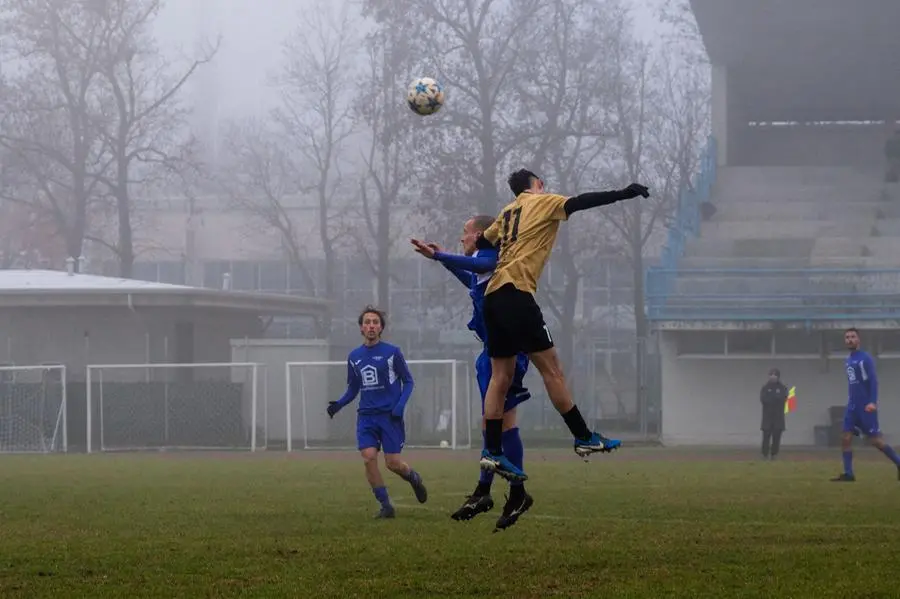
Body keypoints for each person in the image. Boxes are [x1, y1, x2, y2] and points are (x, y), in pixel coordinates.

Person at [475, 169, 649, 481]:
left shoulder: (506, 211)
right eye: (543, 183)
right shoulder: (541, 202)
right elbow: (582, 202)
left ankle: (491, 451)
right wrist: (625, 192)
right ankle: (584, 436)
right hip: (517, 294)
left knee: (500, 377)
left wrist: (460, 252)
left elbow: (482, 241)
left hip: (492, 298)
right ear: (536, 184)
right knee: (552, 370)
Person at [411, 215, 532, 531]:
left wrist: (438, 255)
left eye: (464, 233)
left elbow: (478, 268)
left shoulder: (491, 254)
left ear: (479, 234)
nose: (461, 239)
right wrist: (445, 262)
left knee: (500, 422)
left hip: (509, 350)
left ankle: (497, 492)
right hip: (492, 352)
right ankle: (500, 492)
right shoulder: (485, 262)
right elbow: (473, 279)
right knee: (493, 423)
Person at [326, 306, 428, 517]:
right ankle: (386, 506)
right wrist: (339, 404)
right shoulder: (354, 357)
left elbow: (408, 381)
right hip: (366, 417)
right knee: (368, 457)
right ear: (361, 328)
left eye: (375, 322)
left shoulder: (392, 352)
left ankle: (413, 477)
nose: (371, 326)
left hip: (390, 417)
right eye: (367, 322)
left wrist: (399, 406)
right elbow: (354, 388)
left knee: (393, 464)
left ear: (381, 327)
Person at [831, 327, 900, 482]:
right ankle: (848, 473)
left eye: (853, 337)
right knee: (845, 436)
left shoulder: (865, 358)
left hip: (865, 406)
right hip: (852, 405)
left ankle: (898, 462)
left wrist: (872, 402)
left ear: (858, 339)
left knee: (876, 441)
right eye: (847, 337)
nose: (849, 339)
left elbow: (873, 381)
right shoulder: (848, 360)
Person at [759, 368, 787, 460]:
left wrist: (773, 399)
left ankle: (774, 454)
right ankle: (764, 454)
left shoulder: (782, 388)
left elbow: (783, 399)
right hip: (767, 418)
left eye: (775, 375)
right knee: (766, 437)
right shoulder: (765, 388)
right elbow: (764, 400)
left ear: (778, 377)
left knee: (776, 437)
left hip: (778, 418)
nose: (773, 376)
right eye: (771, 374)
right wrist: (774, 399)